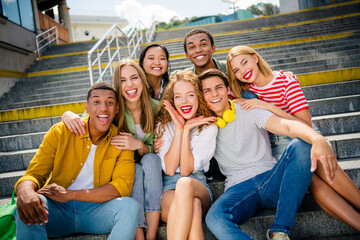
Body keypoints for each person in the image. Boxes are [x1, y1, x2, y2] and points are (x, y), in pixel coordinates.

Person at [226, 45, 360, 231]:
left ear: (255, 58)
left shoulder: (285, 81)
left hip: (304, 135)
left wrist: (267, 106)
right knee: (310, 180)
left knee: (317, 162)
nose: (243, 71)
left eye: (244, 62)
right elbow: (214, 93)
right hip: (279, 147)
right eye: (236, 70)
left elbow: (305, 125)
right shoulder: (242, 90)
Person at [199, 69, 338, 240]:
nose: (214, 94)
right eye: (207, 90)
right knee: (214, 218)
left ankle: (279, 231)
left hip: (271, 178)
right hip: (238, 189)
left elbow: (286, 126)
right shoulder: (204, 126)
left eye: (218, 87)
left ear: (228, 89)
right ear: (202, 96)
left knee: (302, 144)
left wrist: (317, 138)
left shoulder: (248, 109)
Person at [14, 81, 140, 240]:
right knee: (29, 205)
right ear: (86, 108)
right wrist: (25, 192)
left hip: (97, 211)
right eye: (96, 102)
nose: (103, 108)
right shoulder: (61, 132)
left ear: (116, 109)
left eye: (109, 102)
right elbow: (34, 174)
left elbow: (121, 187)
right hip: (56, 211)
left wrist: (70, 194)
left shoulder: (122, 141)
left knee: (130, 207)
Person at [62, 59, 162, 240]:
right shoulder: (112, 108)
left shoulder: (156, 108)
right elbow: (87, 118)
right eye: (123, 80)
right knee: (136, 169)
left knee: (151, 160)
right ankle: (139, 233)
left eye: (134, 78)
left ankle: (152, 234)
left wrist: (138, 145)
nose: (129, 84)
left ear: (143, 80)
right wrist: (67, 115)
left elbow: (158, 149)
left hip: (150, 164)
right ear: (118, 85)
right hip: (121, 168)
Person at [155, 71, 218, 239]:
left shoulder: (208, 127)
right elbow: (169, 169)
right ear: (173, 100)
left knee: (185, 185)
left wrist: (188, 128)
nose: (184, 101)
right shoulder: (163, 125)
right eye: (178, 97)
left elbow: (185, 171)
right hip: (169, 188)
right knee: (194, 208)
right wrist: (180, 129)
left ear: (199, 96)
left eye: (190, 95)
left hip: (197, 185)